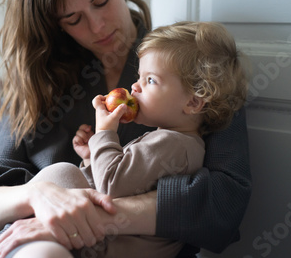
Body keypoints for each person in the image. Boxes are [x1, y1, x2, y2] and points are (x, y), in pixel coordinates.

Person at [0, 0, 252, 258]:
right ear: (56, 23)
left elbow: (226, 201)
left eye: (101, 1)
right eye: (73, 18)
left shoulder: (191, 65)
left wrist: (94, 216)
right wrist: (38, 196)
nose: (97, 26)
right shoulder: (36, 81)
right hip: (34, 242)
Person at [27, 21, 249, 258]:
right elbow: (127, 184)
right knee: (65, 176)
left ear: (193, 102)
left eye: (151, 80)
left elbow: (111, 187)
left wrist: (104, 134)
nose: (134, 87)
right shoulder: (172, 141)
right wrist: (92, 157)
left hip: (106, 250)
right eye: (139, 76)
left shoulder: (172, 145)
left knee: (61, 174)